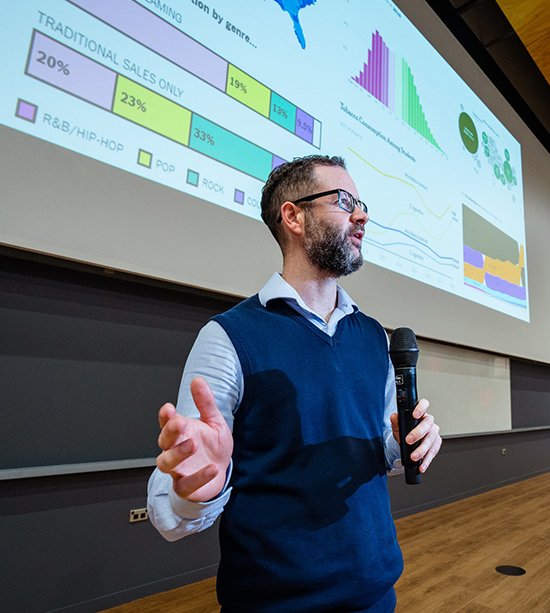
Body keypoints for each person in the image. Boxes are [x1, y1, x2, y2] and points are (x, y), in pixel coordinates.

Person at [148, 154, 442, 612]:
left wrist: (402, 444)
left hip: (376, 594)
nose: (362, 214)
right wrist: (199, 484)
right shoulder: (228, 337)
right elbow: (169, 508)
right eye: (345, 201)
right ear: (293, 216)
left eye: (362, 203)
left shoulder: (372, 337)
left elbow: (379, 453)